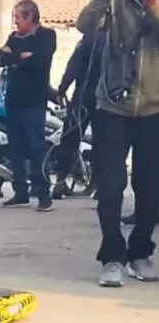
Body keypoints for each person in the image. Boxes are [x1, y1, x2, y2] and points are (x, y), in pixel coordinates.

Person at [77, 0, 159, 286]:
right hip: (112, 106)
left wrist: (154, 9)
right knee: (110, 187)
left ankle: (140, 252)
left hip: (154, 110)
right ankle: (113, 257)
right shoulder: (115, 4)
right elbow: (85, 26)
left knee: (151, 189)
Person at [0, 0, 57, 212]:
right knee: (16, 149)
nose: (15, 22)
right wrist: (19, 56)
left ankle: (43, 194)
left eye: (18, 18)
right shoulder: (14, 37)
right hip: (13, 101)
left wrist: (16, 56)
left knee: (36, 147)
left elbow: (40, 60)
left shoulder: (46, 35)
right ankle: (20, 192)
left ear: (30, 17)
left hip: (34, 102)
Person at [51, 29, 105, 200]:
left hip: (84, 96)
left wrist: (62, 88)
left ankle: (60, 181)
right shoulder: (119, 37)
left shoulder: (89, 38)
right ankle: (99, 186)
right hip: (107, 98)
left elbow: (73, 66)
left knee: (69, 137)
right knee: (103, 143)